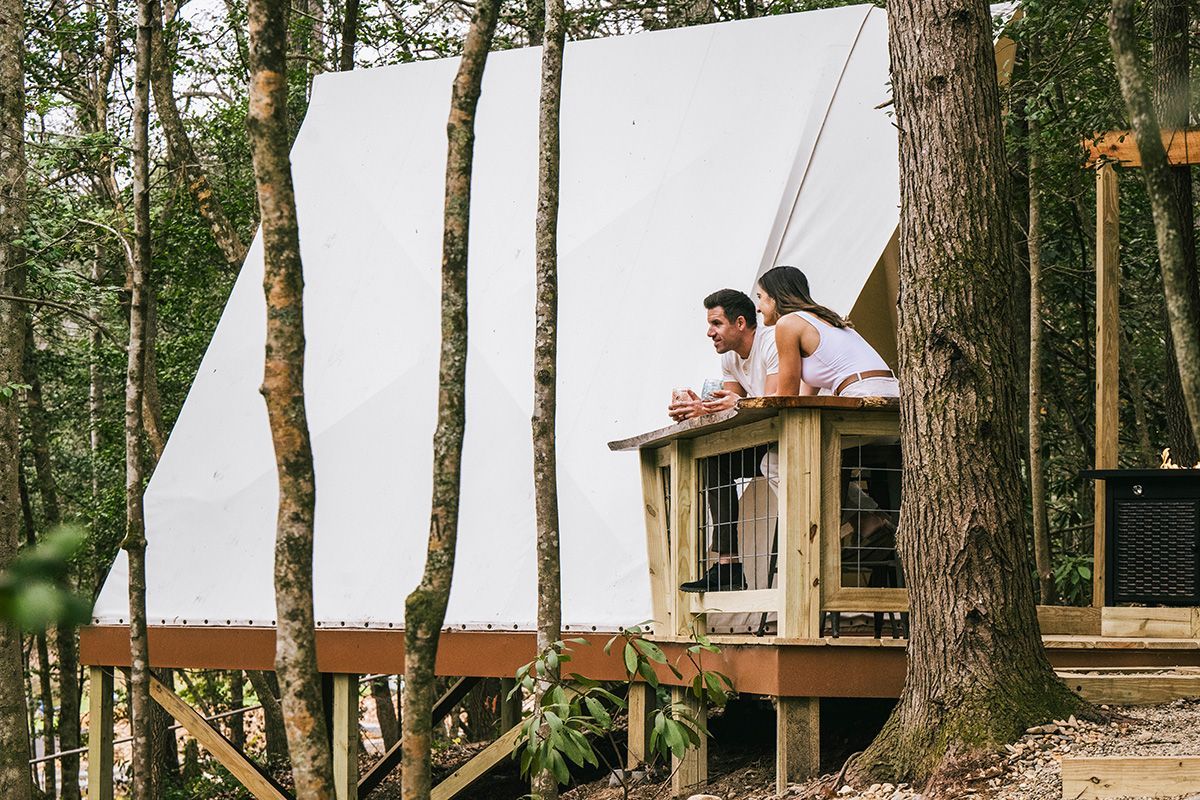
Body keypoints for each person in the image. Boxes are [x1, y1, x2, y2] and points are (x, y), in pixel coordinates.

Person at [667, 289, 778, 593]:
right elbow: (732, 408)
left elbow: (776, 402)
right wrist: (700, 409)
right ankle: (728, 566)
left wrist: (722, 406)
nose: (709, 332)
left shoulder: (771, 343)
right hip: (765, 439)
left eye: (716, 323)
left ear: (740, 322)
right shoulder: (730, 358)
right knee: (715, 462)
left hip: (788, 437)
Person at [755, 265, 899, 398]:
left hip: (862, 392)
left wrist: (741, 404)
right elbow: (803, 397)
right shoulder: (822, 318)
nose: (758, 308)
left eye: (760, 297)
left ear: (774, 297)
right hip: (892, 390)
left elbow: (786, 395)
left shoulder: (788, 323)